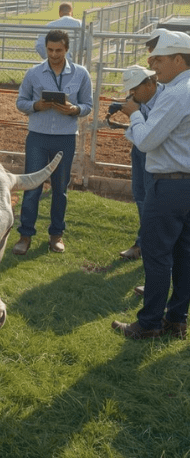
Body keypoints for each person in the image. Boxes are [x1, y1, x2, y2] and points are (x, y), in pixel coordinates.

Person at [112, 29, 190, 341]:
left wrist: (133, 116)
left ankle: (149, 323)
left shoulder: (174, 94)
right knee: (185, 255)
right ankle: (176, 319)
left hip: (169, 186)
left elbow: (145, 142)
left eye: (159, 59)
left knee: (157, 255)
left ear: (179, 59)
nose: (153, 64)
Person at [12, 29, 93, 255]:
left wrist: (74, 109)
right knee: (32, 187)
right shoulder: (34, 73)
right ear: (45, 48)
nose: (54, 54)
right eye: (50, 50)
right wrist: (36, 106)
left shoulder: (81, 74)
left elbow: (88, 105)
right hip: (37, 136)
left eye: (58, 50)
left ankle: (56, 234)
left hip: (66, 138)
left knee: (60, 188)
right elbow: (21, 102)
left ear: (67, 49)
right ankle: (25, 234)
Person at [115, 64, 163, 262]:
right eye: (130, 89)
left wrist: (134, 113)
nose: (132, 93)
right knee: (141, 196)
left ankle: (151, 246)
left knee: (154, 202)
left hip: (159, 156)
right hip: (140, 150)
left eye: (135, 88)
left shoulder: (165, 101)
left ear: (151, 83)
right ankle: (145, 243)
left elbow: (153, 134)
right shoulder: (142, 99)